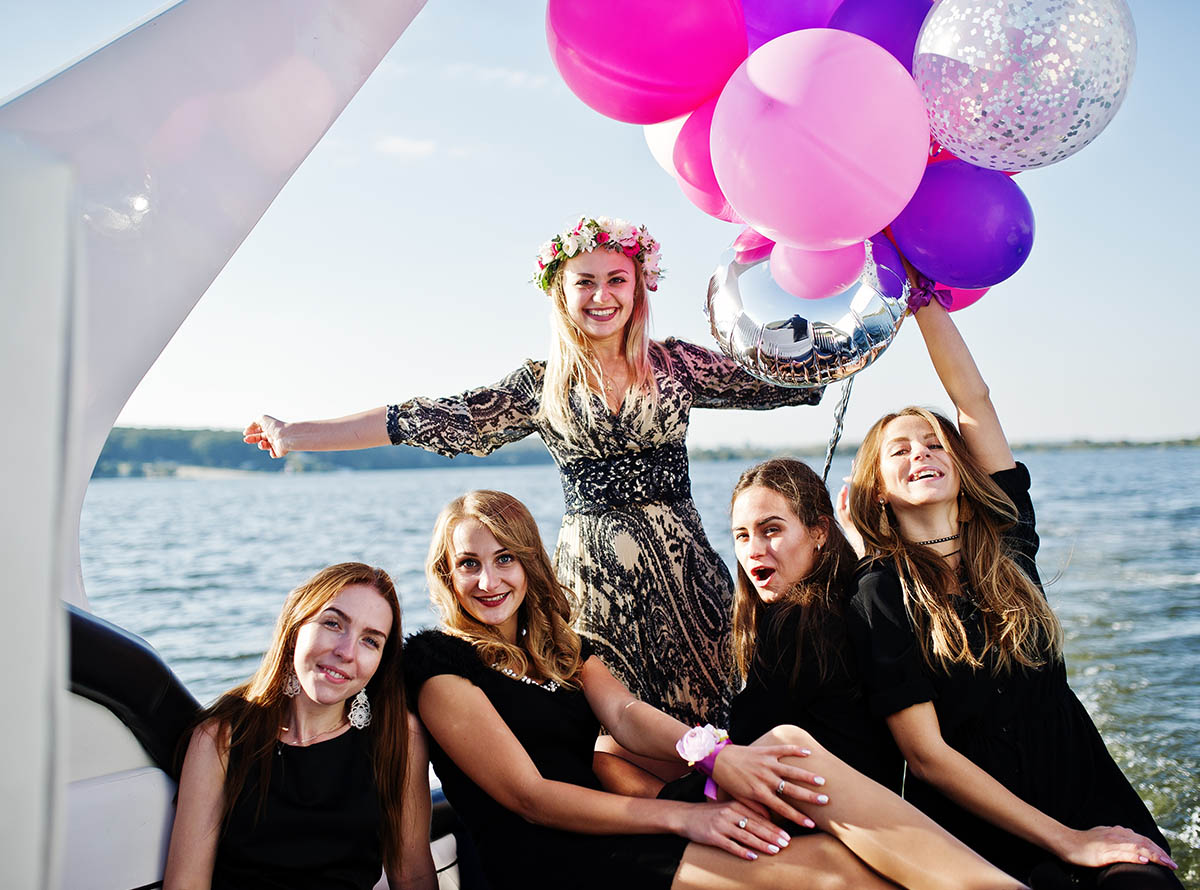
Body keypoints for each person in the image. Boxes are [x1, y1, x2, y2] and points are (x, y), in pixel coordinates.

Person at [243, 216, 823, 727]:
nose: (601, 295)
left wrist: (830, 312)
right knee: (615, 722)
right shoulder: (540, 385)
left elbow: (784, 379)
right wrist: (296, 435)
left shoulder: (676, 364)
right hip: (595, 584)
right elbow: (430, 418)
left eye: (616, 279)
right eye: (584, 282)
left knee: (720, 710)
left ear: (639, 286)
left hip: (686, 576)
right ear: (561, 293)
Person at [405, 488, 1031, 890]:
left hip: (622, 827)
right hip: (557, 860)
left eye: (505, 558)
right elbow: (531, 798)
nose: (489, 580)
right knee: (836, 872)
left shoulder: (565, 650)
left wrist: (716, 756)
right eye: (469, 564)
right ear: (446, 574)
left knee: (788, 747)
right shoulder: (441, 664)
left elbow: (625, 715)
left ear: (529, 563)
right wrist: (687, 817)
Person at [842, 289, 1182, 888]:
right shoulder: (879, 593)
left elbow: (972, 398)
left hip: (1083, 785)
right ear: (877, 489)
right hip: (980, 827)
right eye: (900, 450)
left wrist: (921, 296)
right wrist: (1068, 842)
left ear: (962, 466)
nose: (922, 453)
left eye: (935, 444)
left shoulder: (1008, 542)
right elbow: (926, 756)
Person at [163, 563, 436, 890]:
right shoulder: (220, 738)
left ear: (380, 662)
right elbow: (186, 883)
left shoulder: (398, 736)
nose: (346, 652)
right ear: (295, 629)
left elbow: (412, 875)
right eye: (333, 624)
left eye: (370, 641)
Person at [727, 457, 904, 793]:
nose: (753, 550)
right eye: (742, 536)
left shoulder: (794, 621)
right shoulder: (858, 596)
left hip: (823, 812)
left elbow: (744, 743)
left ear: (819, 531)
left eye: (771, 530)